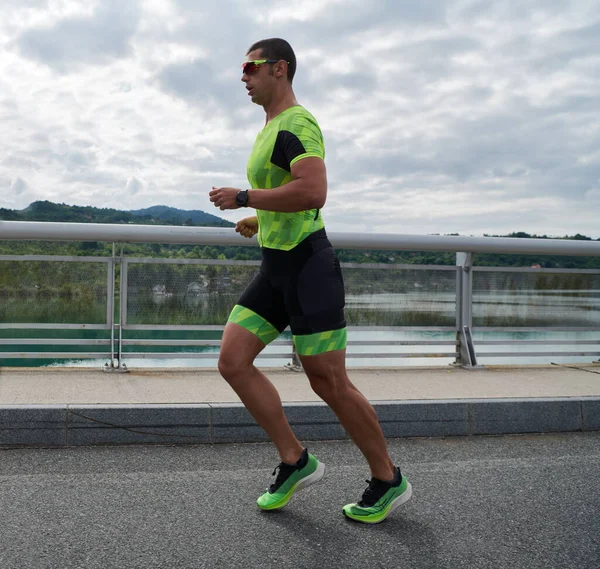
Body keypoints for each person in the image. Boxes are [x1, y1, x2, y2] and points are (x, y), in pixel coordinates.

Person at [209, 38, 411, 524]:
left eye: (250, 67)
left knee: (330, 382)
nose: (243, 76)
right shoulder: (271, 128)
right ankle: (295, 460)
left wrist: (244, 197)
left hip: (308, 268)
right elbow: (291, 194)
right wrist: (261, 219)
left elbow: (313, 190)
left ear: (279, 69)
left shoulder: (297, 123)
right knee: (233, 362)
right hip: (275, 267)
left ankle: (388, 478)